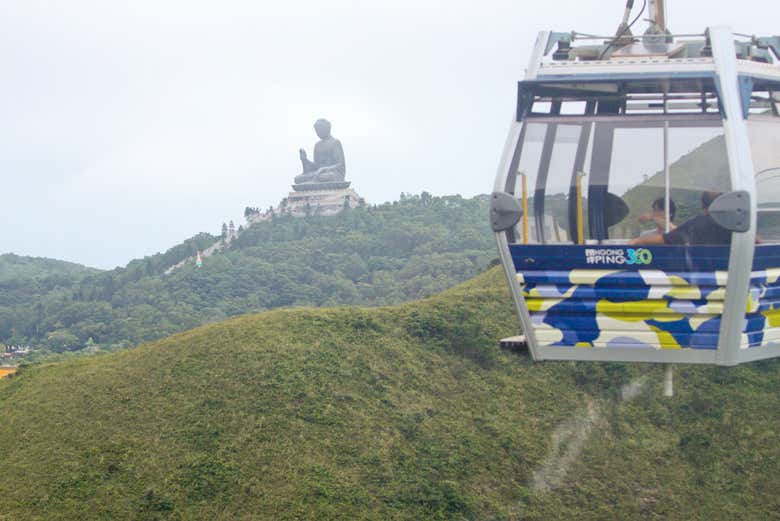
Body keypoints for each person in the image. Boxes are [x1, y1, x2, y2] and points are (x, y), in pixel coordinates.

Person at [629, 191, 732, 246]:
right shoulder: (735, 226)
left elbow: (672, 236)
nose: (656, 213)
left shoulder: (694, 226)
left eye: (659, 210)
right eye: (654, 210)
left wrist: (637, 241)